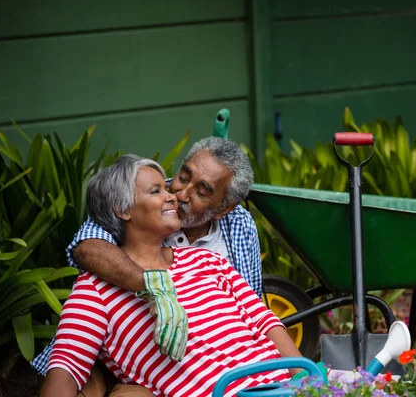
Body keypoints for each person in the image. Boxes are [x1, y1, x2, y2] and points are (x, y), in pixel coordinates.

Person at [40, 154, 302, 397]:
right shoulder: (94, 291)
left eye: (166, 188)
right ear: (122, 209)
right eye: (156, 191)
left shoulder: (206, 260)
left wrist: (311, 384)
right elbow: (66, 369)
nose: (173, 197)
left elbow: (265, 322)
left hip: (284, 388)